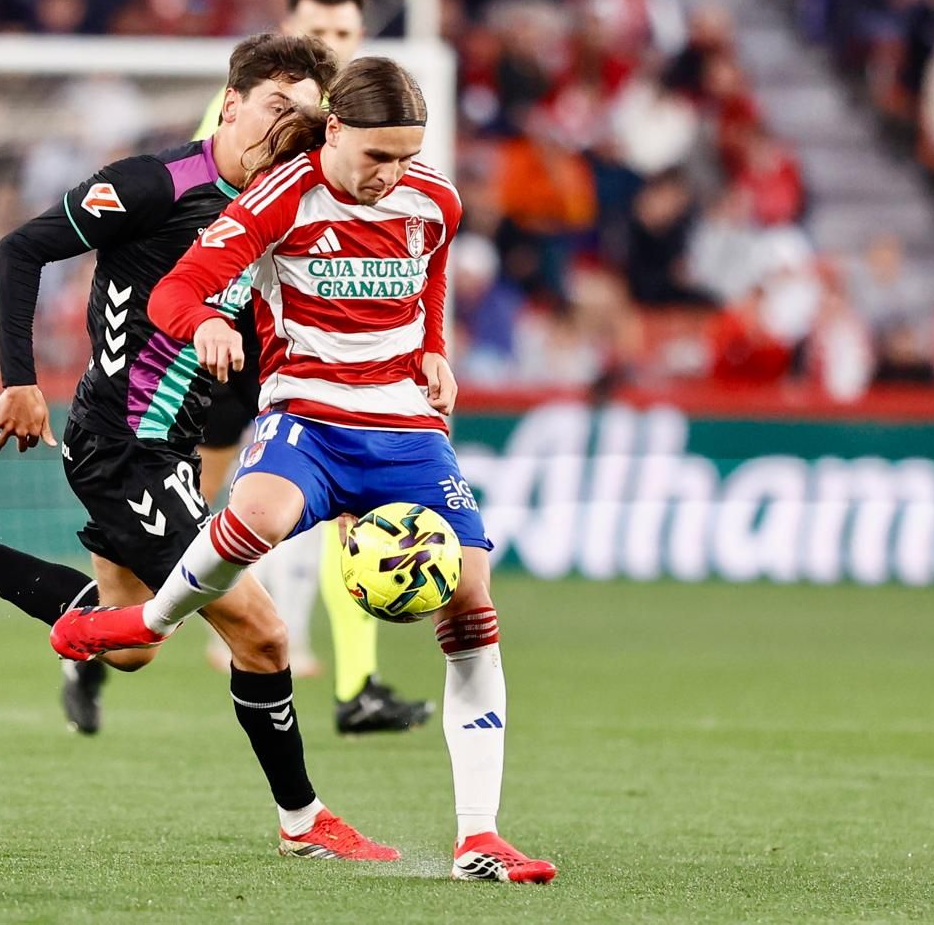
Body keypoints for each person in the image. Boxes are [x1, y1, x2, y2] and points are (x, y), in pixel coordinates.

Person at [0, 35, 397, 861]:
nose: (289, 129)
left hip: (164, 445)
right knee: (264, 634)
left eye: (306, 118)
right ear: (231, 103)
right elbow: (18, 247)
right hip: (124, 446)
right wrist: (19, 380)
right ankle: (304, 823)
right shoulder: (156, 184)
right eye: (277, 108)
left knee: (129, 642)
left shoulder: (282, 203)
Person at [50, 58, 557, 883]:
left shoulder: (435, 201)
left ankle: (479, 837)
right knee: (255, 521)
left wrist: (431, 350)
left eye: (405, 157)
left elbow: (428, 278)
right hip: (307, 419)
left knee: (471, 598)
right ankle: (152, 621)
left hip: (407, 433)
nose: (391, 176)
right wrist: (207, 326)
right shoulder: (279, 198)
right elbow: (174, 293)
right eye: (376, 157)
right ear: (335, 131)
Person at [197, 0, 431, 734]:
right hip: (235, 325)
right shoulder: (258, 110)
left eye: (341, 33)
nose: (327, 44)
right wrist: (213, 311)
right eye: (315, 31)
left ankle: (353, 680)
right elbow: (215, 208)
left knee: (347, 515)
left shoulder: (373, 129)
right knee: (209, 497)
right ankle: (191, 618)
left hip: (326, 344)